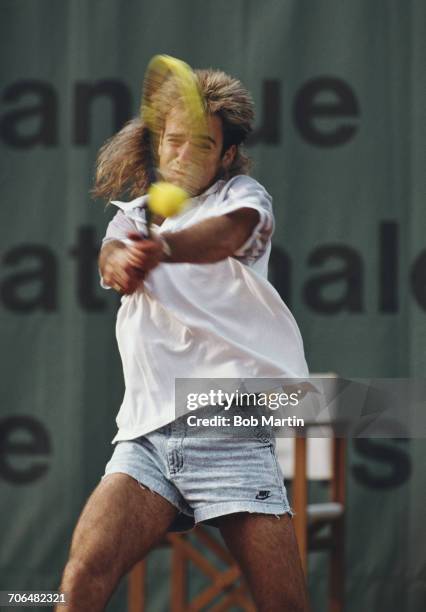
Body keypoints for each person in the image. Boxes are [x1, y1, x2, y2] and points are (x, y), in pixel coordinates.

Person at [57, 68, 309, 611]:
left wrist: (168, 250)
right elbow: (110, 259)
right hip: (146, 438)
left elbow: (229, 234)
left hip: (230, 427)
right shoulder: (131, 218)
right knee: (81, 579)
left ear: (225, 156)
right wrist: (122, 260)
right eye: (174, 141)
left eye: (203, 145)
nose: (185, 155)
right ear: (157, 145)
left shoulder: (243, 197)